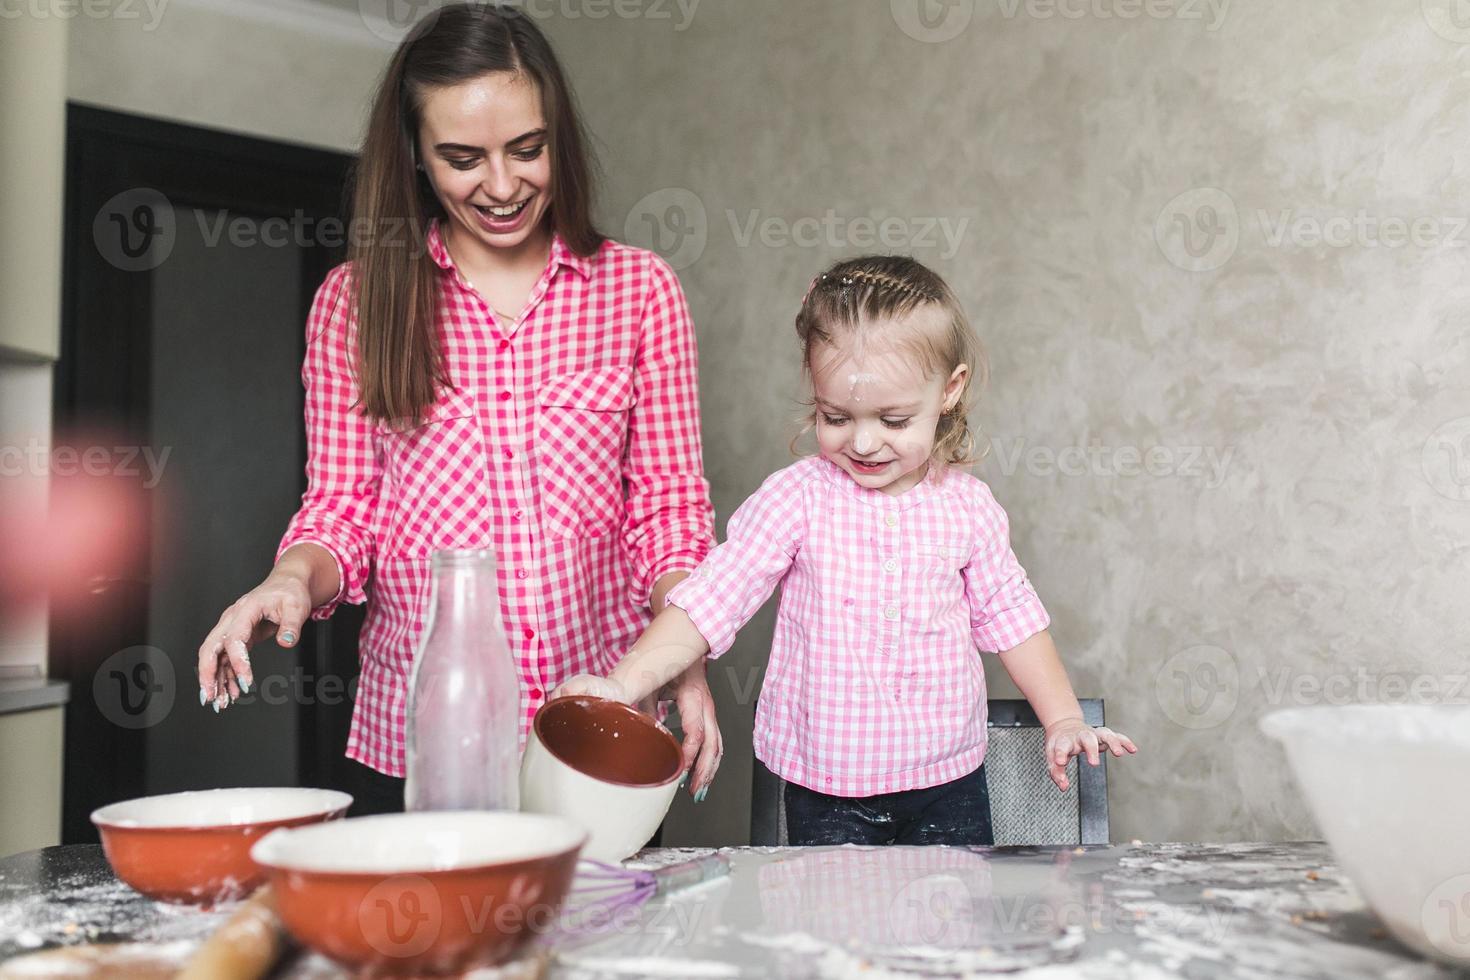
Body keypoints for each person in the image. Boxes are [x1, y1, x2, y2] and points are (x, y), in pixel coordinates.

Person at [195, 3, 722, 815]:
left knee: (591, 943)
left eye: (528, 149)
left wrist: (681, 662)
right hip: (420, 739)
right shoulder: (356, 305)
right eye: (463, 158)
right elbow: (343, 511)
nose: (505, 186)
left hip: (595, 739)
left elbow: (667, 515)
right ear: (414, 155)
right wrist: (290, 581)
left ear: (559, 138)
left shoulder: (639, 291)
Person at [556, 255, 1136, 845]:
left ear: (949, 390)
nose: (862, 442)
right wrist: (623, 685)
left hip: (949, 781)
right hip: (826, 788)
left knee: (952, 926)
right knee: (837, 930)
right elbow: (709, 601)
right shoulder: (797, 499)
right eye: (836, 416)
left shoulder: (969, 509)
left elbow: (1012, 618)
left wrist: (1061, 716)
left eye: (893, 419)